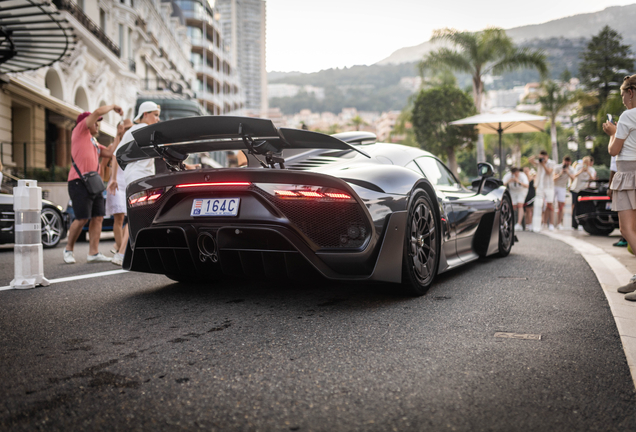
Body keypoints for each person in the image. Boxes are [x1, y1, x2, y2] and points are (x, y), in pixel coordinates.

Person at [64, 104, 124, 264]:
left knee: (98, 217)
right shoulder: (79, 132)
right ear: (87, 123)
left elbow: (111, 153)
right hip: (78, 182)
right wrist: (113, 107)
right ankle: (68, 249)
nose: (98, 124)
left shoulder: (94, 142)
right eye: (96, 122)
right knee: (82, 218)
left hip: (94, 184)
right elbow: (97, 112)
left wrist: (118, 135)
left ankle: (93, 253)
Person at [108, 101, 161, 266]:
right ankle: (122, 253)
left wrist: (115, 178)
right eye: (155, 114)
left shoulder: (139, 131)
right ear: (145, 114)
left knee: (136, 216)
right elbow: (117, 154)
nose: (158, 119)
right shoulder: (137, 130)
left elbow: (117, 154)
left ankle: (126, 253)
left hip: (139, 177)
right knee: (139, 215)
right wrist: (113, 179)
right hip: (138, 177)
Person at [603, 74, 636, 298]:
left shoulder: (627, 116)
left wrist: (612, 133)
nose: (622, 98)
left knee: (626, 230)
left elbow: (614, 151)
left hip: (629, 174)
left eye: (623, 94)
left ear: (631, 92)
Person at [105, 119, 133, 255]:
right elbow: (113, 154)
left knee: (128, 218)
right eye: (125, 128)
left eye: (129, 128)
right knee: (119, 218)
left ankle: (120, 247)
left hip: (127, 183)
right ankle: (122, 250)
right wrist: (118, 135)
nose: (127, 131)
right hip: (115, 184)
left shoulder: (132, 146)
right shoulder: (116, 145)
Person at [529, 150, 557, 231]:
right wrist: (536, 156)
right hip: (540, 186)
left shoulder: (551, 163)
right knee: (539, 205)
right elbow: (530, 160)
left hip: (549, 186)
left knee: (550, 205)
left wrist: (544, 164)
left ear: (547, 156)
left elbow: (549, 172)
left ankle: (550, 224)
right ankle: (542, 223)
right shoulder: (539, 162)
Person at [569, 156, 597, 231]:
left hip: (584, 190)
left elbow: (593, 179)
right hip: (576, 189)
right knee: (574, 206)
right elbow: (574, 176)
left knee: (582, 207)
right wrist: (581, 171)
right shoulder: (578, 167)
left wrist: (587, 172)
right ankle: (574, 224)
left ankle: (581, 223)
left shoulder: (591, 169)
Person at [502, 167, 529, 232]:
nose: (515, 174)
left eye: (516, 173)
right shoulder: (508, 175)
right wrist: (508, 181)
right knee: (513, 206)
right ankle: (512, 222)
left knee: (520, 205)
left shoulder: (522, 175)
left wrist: (518, 181)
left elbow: (527, 185)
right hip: (513, 191)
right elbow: (502, 184)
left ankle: (519, 223)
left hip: (521, 190)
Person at [552, 156, 574, 230]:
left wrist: (567, 172)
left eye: (568, 162)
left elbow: (573, 179)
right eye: (565, 161)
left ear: (570, 162)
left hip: (562, 187)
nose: (566, 163)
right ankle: (550, 223)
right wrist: (560, 174)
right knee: (551, 204)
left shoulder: (571, 169)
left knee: (561, 206)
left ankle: (559, 223)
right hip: (555, 186)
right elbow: (553, 179)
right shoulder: (558, 167)